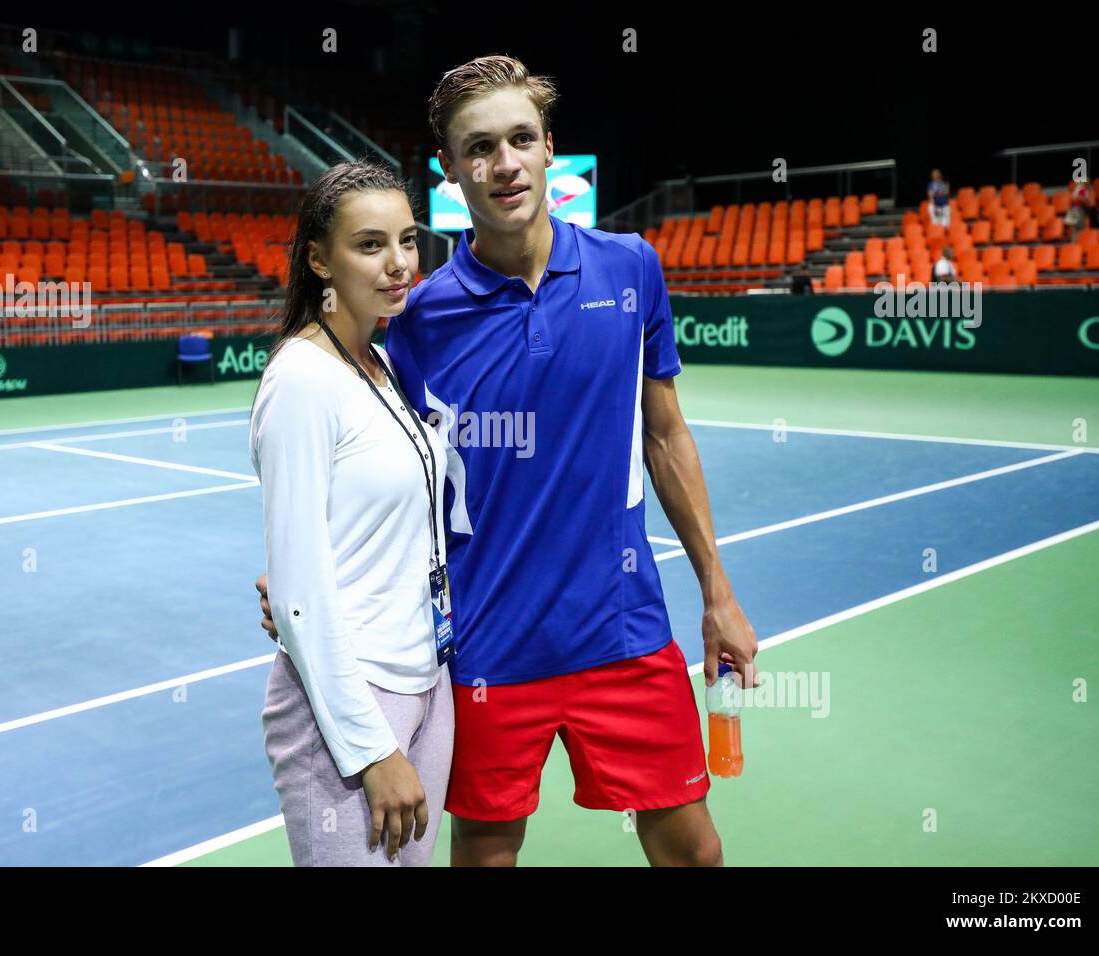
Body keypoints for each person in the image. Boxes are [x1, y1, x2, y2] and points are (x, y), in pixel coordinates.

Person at [259, 55, 758, 868]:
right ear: (451, 172)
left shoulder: (631, 267)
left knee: (694, 853)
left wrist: (718, 594)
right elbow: (388, 457)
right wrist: (301, 572)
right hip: (489, 647)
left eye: (521, 139)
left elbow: (665, 436)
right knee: (485, 859)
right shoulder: (417, 320)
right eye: (480, 148)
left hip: (624, 628)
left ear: (549, 146)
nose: (505, 164)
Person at [250, 161, 454, 866]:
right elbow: (299, 589)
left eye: (406, 240)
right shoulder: (302, 380)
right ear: (318, 258)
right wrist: (371, 751)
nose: (398, 264)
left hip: (428, 678)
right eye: (370, 245)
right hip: (351, 704)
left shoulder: (384, 360)